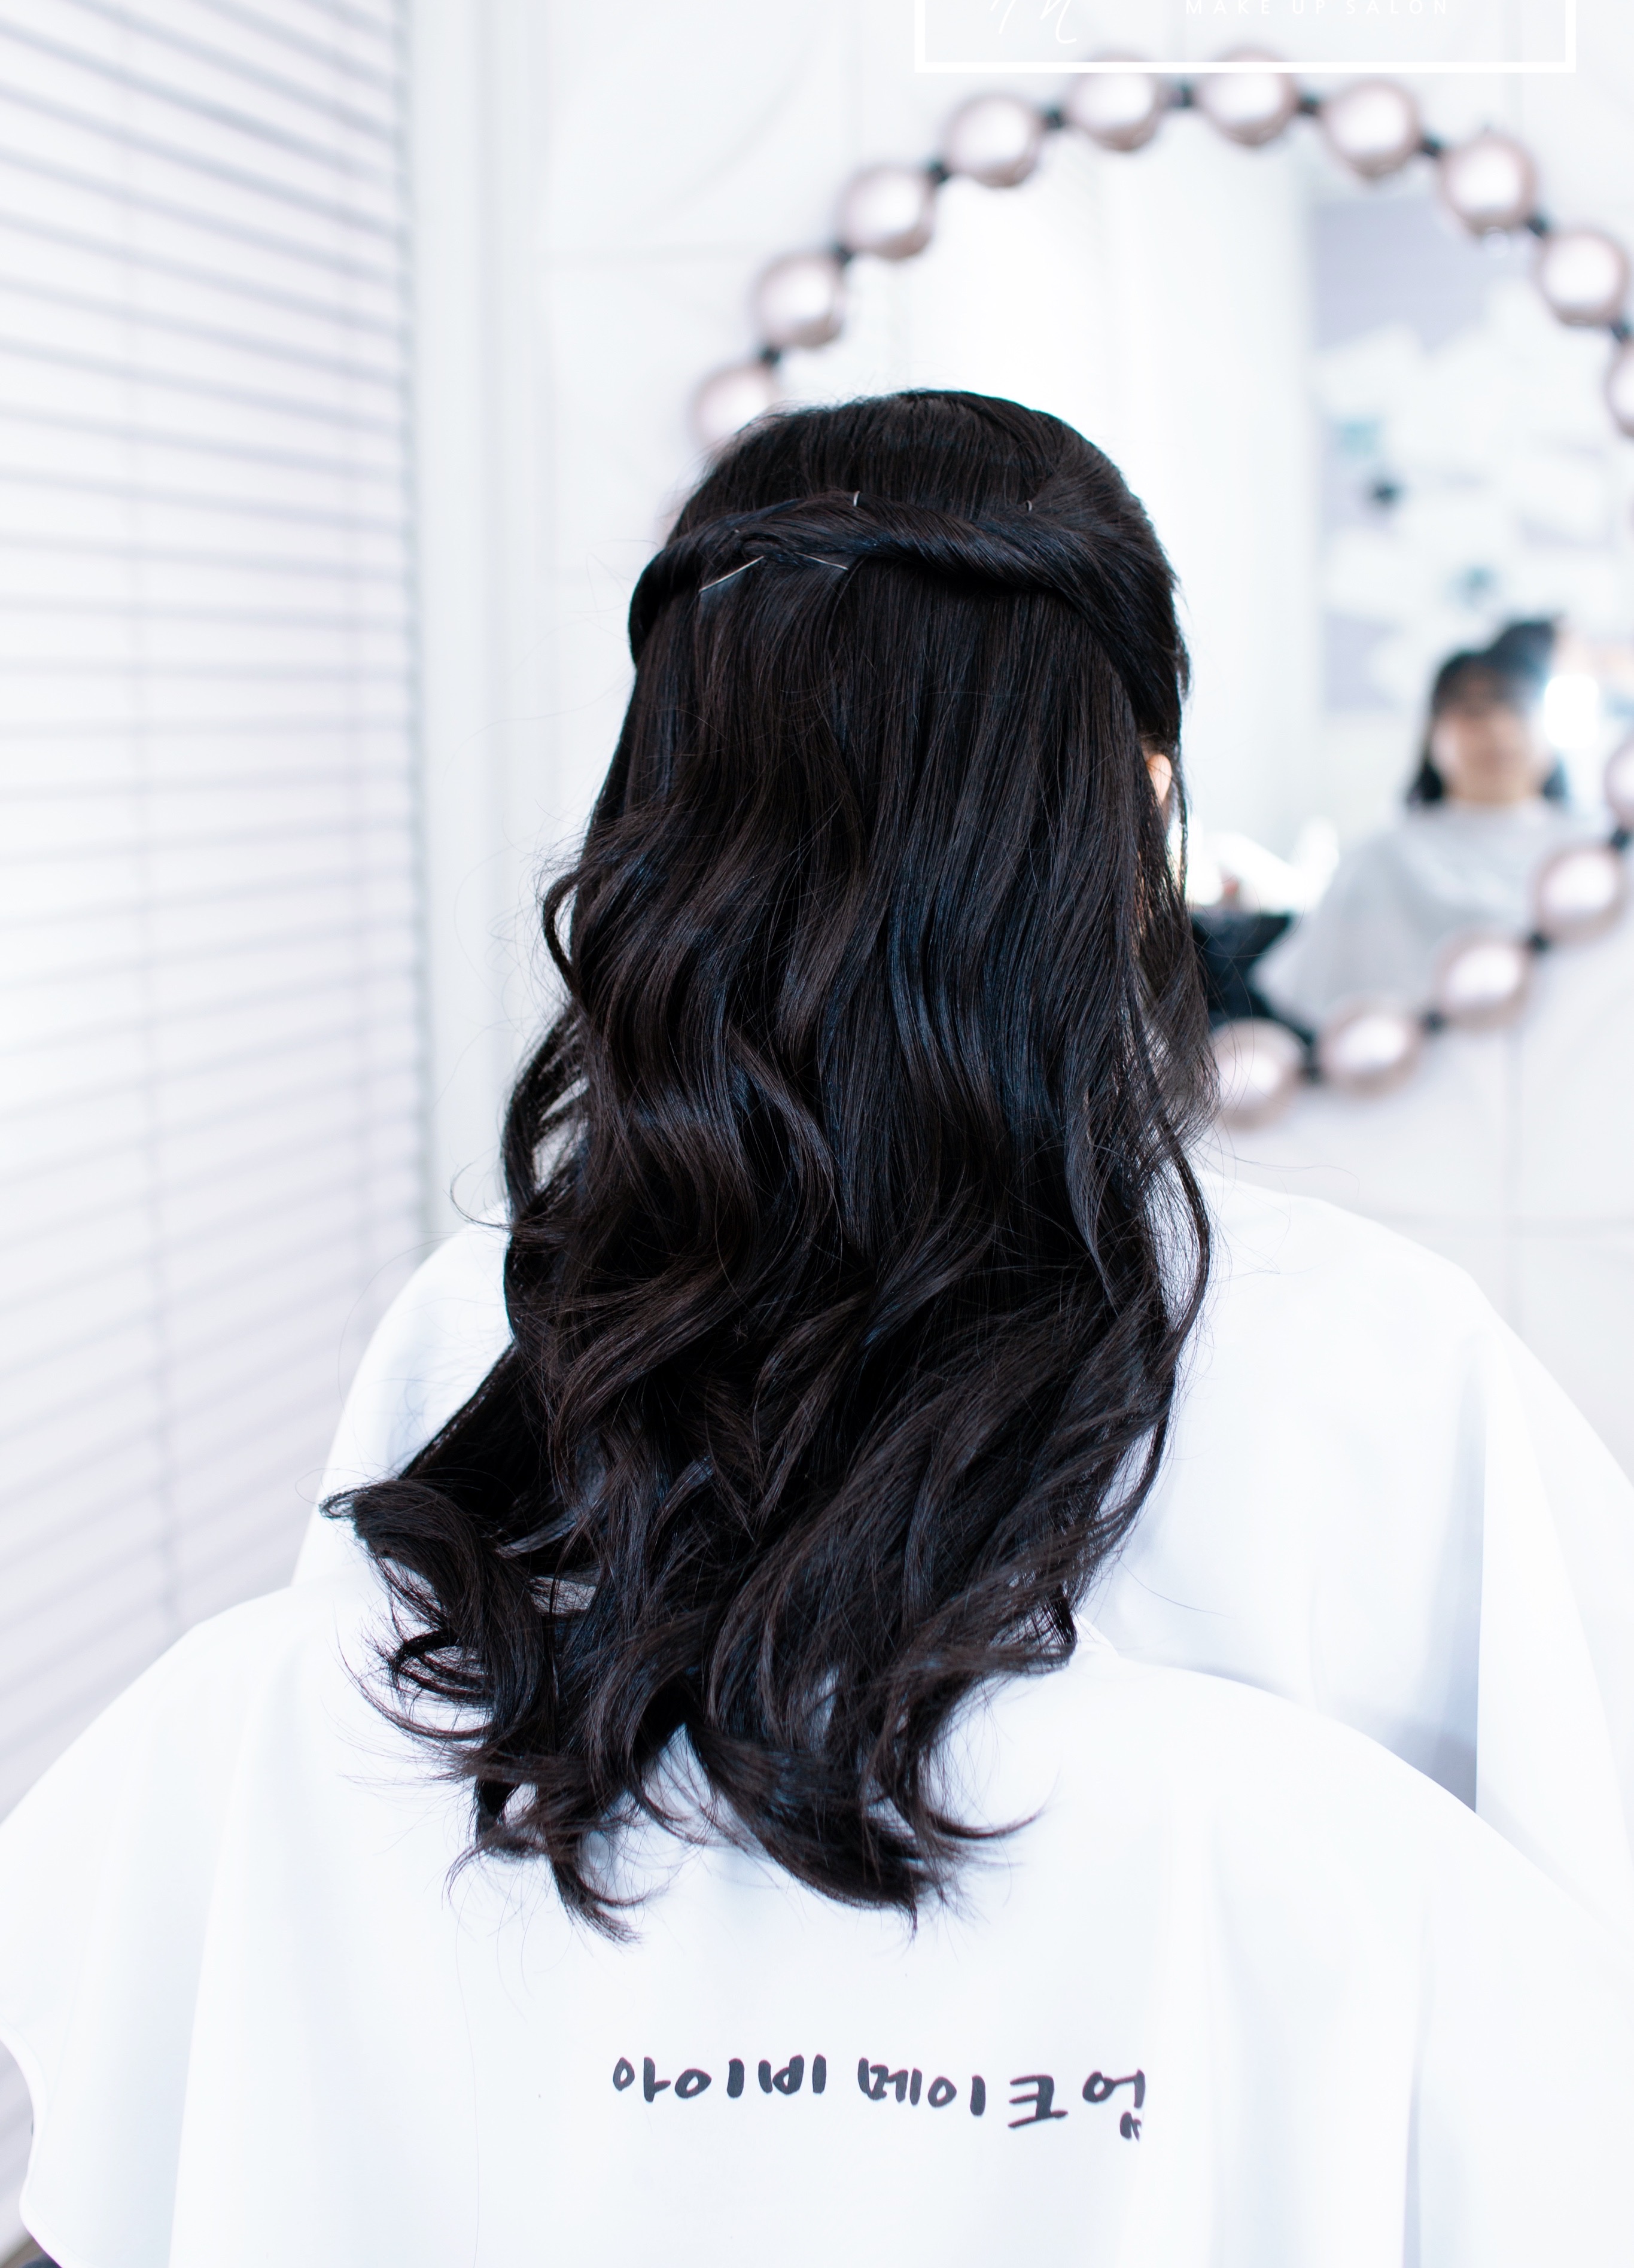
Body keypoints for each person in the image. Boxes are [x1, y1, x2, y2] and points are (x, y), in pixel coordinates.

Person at [3, 395, 1633, 2267]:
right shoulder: (1386, 1378)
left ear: (665, 819)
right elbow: (1562, 2124)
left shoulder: (486, 1337)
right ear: (1137, 814)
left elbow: (310, 1975)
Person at [1253, 620, 1595, 1031]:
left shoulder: (1597, 852)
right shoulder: (1379, 859)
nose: (1497, 728)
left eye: (1517, 706)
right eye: (1473, 711)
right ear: (1433, 733)